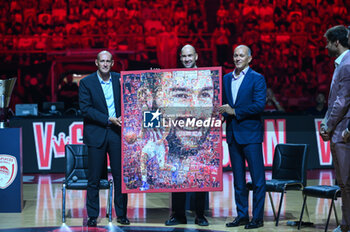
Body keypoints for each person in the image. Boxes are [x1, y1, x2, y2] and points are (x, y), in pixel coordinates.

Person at [79, 50, 129, 227]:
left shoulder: (120, 79)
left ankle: (121, 214)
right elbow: (86, 109)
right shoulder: (86, 83)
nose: (105, 64)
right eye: (102, 61)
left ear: (113, 63)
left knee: (119, 176)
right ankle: (92, 215)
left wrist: (152, 74)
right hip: (97, 133)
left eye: (108, 61)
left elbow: (137, 89)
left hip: (117, 133)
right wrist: (108, 119)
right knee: (93, 178)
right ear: (96, 63)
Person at [219, 45, 266, 229]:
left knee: (257, 180)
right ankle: (242, 215)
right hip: (232, 136)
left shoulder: (257, 78)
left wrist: (235, 111)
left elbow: (259, 105)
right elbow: (224, 107)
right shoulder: (226, 78)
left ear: (249, 59)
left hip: (251, 136)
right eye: (235, 55)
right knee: (238, 180)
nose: (238, 58)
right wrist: (220, 118)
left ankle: (258, 218)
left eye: (241, 56)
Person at [164, 44, 210, 227]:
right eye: (184, 56)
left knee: (200, 172)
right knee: (177, 170)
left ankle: (200, 215)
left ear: (196, 56)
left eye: (190, 56)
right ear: (180, 58)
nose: (187, 59)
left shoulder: (207, 75)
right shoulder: (174, 76)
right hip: (179, 127)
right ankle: (178, 214)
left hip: (200, 125)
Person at [319, 25, 350, 232]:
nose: (326, 46)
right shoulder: (341, 64)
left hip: (344, 130)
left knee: (346, 182)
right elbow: (334, 101)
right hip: (338, 129)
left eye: (328, 42)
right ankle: (346, 223)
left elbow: (342, 101)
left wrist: (328, 126)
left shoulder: (347, 64)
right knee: (344, 182)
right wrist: (325, 121)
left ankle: (347, 225)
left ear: (336, 42)